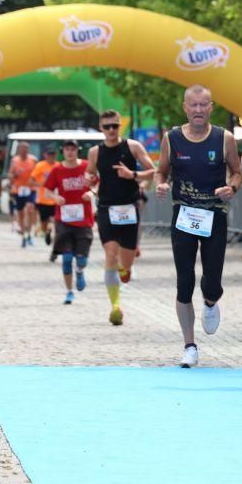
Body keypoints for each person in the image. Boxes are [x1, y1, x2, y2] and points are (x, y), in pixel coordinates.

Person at [154, 85, 242, 368]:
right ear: (185, 108)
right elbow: (161, 171)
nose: (198, 110)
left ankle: (210, 301)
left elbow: (237, 172)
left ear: (210, 107)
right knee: (184, 281)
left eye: (203, 105)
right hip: (184, 215)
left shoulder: (224, 138)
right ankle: (189, 346)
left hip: (214, 215)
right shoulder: (172, 138)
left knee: (212, 281)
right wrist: (160, 184)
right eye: (193, 105)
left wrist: (232, 188)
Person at [87, 110, 157, 326]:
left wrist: (133, 175)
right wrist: (89, 180)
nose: (111, 130)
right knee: (110, 255)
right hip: (106, 208)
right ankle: (115, 306)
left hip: (129, 209)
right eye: (106, 126)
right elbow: (90, 173)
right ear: (100, 128)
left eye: (114, 126)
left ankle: (124, 270)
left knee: (125, 266)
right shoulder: (94, 152)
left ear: (120, 126)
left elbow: (153, 171)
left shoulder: (133, 147)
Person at [42, 140, 94, 305]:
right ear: (62, 151)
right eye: (67, 149)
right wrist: (55, 197)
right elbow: (47, 190)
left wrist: (91, 194)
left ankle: (79, 270)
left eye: (73, 149)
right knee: (66, 259)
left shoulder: (86, 166)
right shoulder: (57, 170)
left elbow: (98, 184)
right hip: (63, 219)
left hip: (84, 220)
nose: (70, 152)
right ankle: (69, 292)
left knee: (81, 260)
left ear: (78, 150)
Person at [8, 142, 38, 247]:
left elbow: (38, 173)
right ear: (18, 150)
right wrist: (15, 174)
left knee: (29, 209)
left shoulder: (33, 159)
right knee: (20, 212)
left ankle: (29, 232)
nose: (24, 151)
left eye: (26, 149)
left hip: (30, 188)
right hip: (18, 190)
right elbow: (10, 175)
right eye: (22, 148)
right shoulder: (15, 160)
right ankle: (23, 232)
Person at [30, 147, 59, 249]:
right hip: (42, 199)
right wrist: (40, 184)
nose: (51, 157)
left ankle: (55, 237)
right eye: (49, 155)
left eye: (53, 155)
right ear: (45, 155)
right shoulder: (40, 166)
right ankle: (46, 232)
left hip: (55, 199)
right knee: (44, 222)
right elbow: (31, 181)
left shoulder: (58, 166)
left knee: (55, 220)